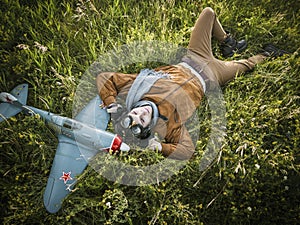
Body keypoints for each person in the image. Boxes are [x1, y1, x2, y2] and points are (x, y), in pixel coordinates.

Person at [96, 7, 287, 160]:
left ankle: (228, 42)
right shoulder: (167, 126)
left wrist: (111, 102)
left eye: (135, 113)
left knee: (209, 12)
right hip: (212, 75)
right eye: (143, 120)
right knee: (246, 64)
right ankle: (267, 54)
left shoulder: (136, 89)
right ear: (148, 127)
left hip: (194, 55)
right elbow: (187, 150)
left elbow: (105, 77)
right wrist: (159, 147)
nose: (142, 113)